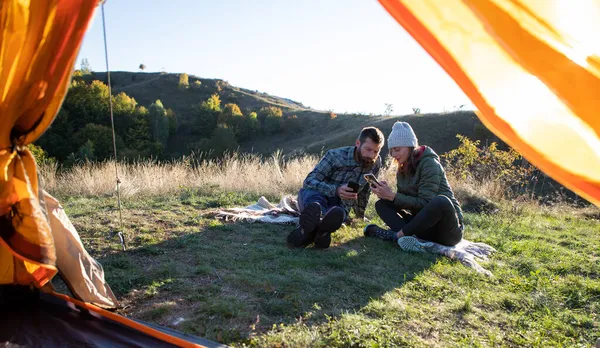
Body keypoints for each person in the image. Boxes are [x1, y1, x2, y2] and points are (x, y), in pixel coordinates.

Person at [364, 121, 464, 251]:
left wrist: (393, 196)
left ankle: (395, 236)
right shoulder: (402, 168)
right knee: (382, 204)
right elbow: (406, 203)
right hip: (422, 227)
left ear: (410, 146)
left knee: (441, 201)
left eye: (397, 149)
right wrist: (387, 194)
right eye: (392, 151)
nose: (393, 155)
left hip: (447, 232)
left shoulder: (429, 164)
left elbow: (426, 203)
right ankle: (409, 237)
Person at [287, 127, 385, 249]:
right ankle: (321, 230)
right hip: (317, 196)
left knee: (337, 212)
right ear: (358, 143)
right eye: (368, 149)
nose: (371, 155)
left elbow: (365, 191)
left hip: (340, 205)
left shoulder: (376, 162)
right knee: (316, 203)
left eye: (376, 151)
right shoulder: (335, 156)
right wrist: (336, 190)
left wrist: (359, 215)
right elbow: (308, 182)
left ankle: (309, 231)